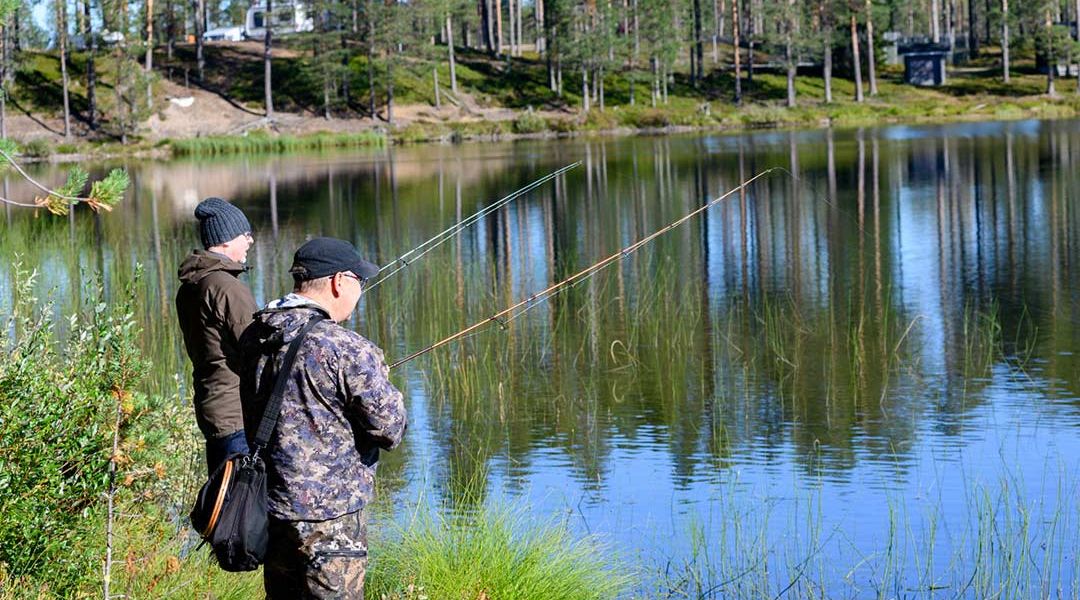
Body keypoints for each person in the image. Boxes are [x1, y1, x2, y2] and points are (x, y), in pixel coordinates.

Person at [238, 237, 407, 599]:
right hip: (331, 520)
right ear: (338, 281)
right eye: (359, 281)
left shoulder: (256, 336)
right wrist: (382, 379)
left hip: (273, 508)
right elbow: (391, 428)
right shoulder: (345, 348)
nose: (360, 291)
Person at [176, 197, 257, 475]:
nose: (250, 241)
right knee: (242, 499)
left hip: (212, 408)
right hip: (237, 415)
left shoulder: (191, 286)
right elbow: (256, 349)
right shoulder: (226, 287)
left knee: (223, 496)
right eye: (245, 234)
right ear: (226, 240)